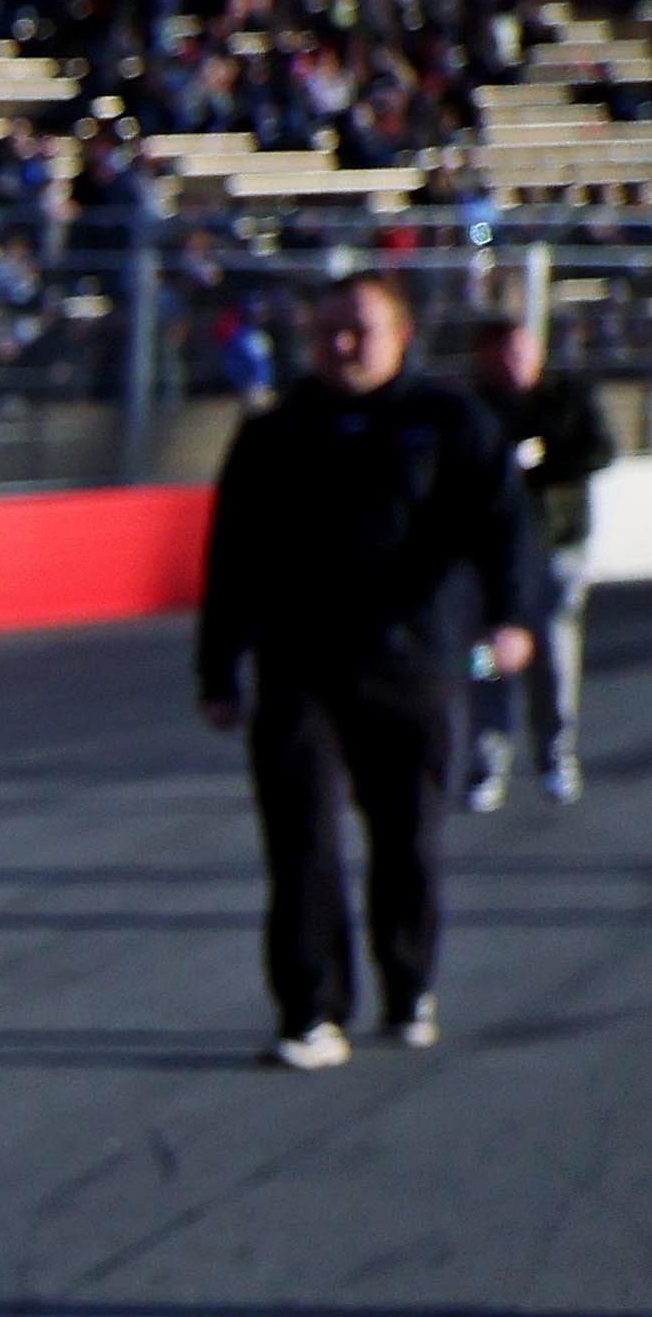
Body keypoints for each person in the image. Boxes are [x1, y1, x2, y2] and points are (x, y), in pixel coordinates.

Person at [195, 273, 538, 1061]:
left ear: (402, 335)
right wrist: (217, 670)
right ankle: (310, 1012)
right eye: (327, 333)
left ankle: (407, 982)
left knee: (406, 836)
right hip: (297, 666)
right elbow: (231, 559)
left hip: (410, 661)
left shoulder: (449, 422)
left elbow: (503, 526)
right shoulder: (273, 433)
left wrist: (511, 617)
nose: (342, 346)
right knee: (300, 839)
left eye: (360, 331)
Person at [458, 311, 603, 811]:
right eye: (503, 352)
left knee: (554, 653)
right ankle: (485, 758)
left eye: (522, 349)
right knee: (483, 659)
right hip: (489, 558)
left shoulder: (566, 396)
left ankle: (555, 753)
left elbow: (598, 450)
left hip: (556, 546)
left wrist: (543, 461)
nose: (514, 361)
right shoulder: (473, 407)